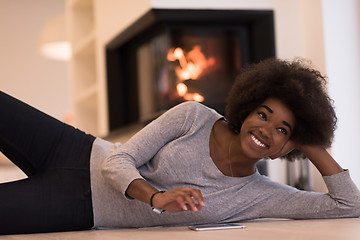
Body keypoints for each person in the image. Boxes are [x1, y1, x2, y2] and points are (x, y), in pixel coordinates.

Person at [0, 58, 359, 235]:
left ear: (287, 145)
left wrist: (312, 143)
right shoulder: (194, 116)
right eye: (263, 115)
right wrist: (156, 198)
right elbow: (118, 161)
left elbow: (348, 206)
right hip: (76, 149)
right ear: (247, 107)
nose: (266, 130)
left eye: (282, 130)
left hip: (80, 206)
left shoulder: (258, 195)